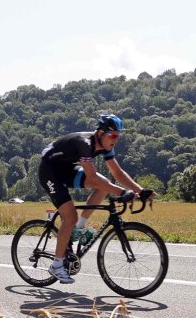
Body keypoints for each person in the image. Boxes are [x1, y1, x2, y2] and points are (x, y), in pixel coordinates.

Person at [37, 114, 151, 284]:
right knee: (70, 217)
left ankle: (79, 228)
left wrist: (140, 191)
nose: (116, 139)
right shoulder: (85, 143)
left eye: (118, 136)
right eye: (113, 135)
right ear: (100, 133)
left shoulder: (106, 146)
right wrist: (121, 193)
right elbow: (92, 176)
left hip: (67, 169)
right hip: (50, 171)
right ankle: (57, 265)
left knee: (104, 186)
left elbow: (117, 173)